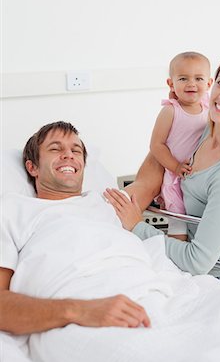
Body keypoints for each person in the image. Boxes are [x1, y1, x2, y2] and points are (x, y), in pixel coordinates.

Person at [105, 52, 220, 281]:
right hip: (194, 269)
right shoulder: (208, 130)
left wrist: (137, 226)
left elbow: (197, 261)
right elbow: (161, 151)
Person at [0, 121, 151, 334]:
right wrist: (81, 310)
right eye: (55, 148)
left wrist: (183, 110)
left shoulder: (107, 202)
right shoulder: (13, 209)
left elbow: (150, 178)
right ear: (32, 167)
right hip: (84, 314)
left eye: (76, 150)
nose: (69, 155)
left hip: (154, 292)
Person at [150, 51, 212, 240]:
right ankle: (175, 263)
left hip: (200, 176)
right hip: (176, 177)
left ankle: (196, 259)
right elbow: (156, 145)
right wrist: (175, 166)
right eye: (183, 78)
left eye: (199, 78)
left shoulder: (209, 108)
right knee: (179, 222)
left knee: (201, 222)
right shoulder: (170, 111)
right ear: (171, 84)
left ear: (209, 84)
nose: (191, 83)